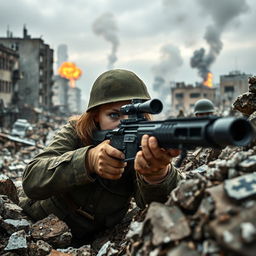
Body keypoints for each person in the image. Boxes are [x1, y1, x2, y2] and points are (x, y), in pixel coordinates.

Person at [20, 69, 182, 245]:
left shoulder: (142, 142)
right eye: (114, 115)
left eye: (137, 115)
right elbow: (32, 179)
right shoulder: (75, 132)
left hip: (98, 241)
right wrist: (87, 160)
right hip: (37, 229)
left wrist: (157, 176)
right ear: (96, 116)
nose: (126, 122)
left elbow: (158, 208)